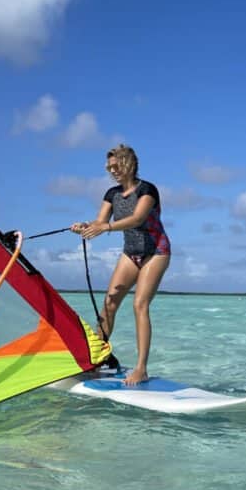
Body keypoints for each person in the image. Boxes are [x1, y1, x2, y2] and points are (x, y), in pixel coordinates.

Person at [71, 144, 170, 386]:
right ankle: (96, 360)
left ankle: (141, 369)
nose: (113, 171)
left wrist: (104, 228)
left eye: (117, 166)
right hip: (131, 253)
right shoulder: (111, 194)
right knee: (109, 303)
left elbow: (136, 218)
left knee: (139, 305)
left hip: (156, 252)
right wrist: (85, 226)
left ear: (129, 164)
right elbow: (100, 221)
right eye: (110, 168)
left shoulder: (147, 190)